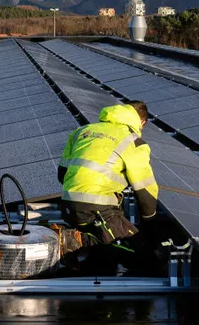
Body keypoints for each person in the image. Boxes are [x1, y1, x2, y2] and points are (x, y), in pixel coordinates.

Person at [57, 101, 160, 273]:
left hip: (68, 204)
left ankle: (87, 244)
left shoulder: (82, 131)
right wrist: (150, 219)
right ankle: (76, 240)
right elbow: (145, 188)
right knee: (142, 252)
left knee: (105, 257)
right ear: (142, 122)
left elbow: (62, 174)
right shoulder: (133, 142)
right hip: (97, 208)